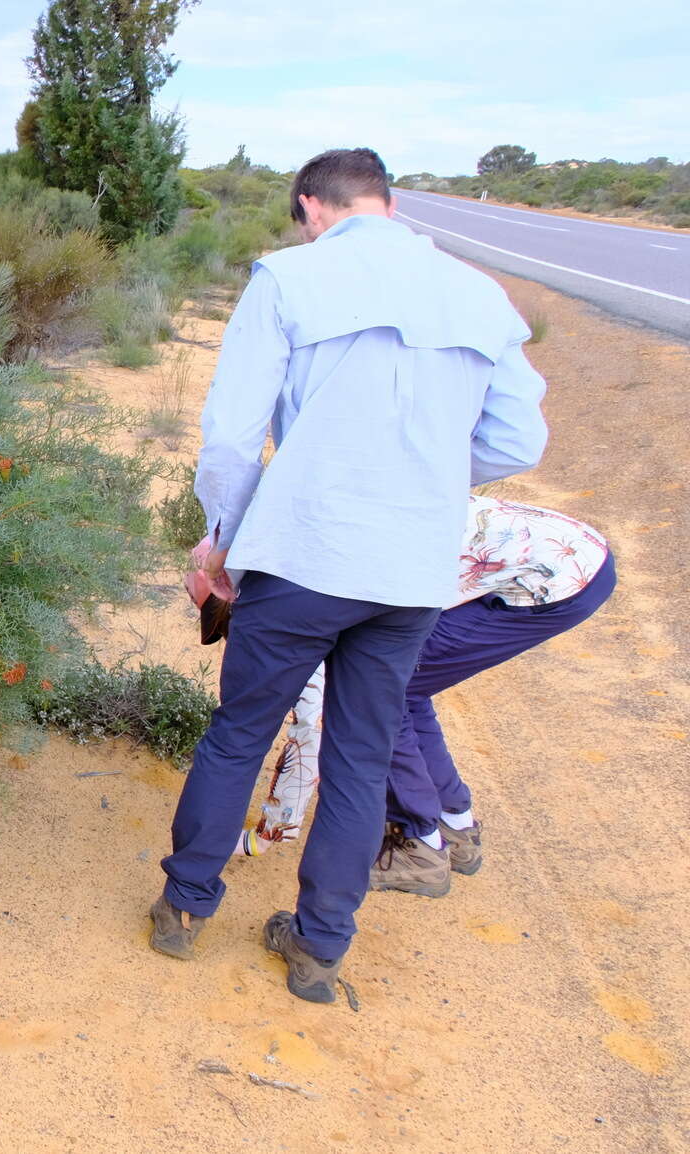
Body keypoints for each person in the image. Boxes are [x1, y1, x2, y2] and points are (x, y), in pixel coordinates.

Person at [150, 147, 549, 1005]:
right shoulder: (478, 294)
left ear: (311, 207)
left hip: (306, 550)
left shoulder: (290, 279)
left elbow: (230, 439)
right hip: (410, 566)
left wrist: (220, 540)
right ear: (387, 203)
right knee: (362, 755)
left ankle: (185, 909)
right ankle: (321, 947)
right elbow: (519, 442)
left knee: (241, 730)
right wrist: (421, 471)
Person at [218, 497, 615, 898]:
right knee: (405, 685)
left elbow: (311, 727)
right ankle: (453, 824)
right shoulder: (327, 526)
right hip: (573, 556)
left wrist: (269, 832)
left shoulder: (321, 587)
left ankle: (419, 846)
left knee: (376, 692)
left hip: (551, 579)